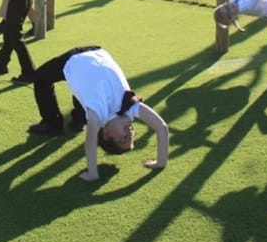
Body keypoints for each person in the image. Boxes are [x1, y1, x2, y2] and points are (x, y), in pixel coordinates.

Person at [27, 46, 169, 182]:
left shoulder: (97, 113)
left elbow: (90, 143)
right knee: (86, 96)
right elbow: (161, 127)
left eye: (124, 138)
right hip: (96, 50)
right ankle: (77, 119)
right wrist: (160, 162)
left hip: (72, 59)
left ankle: (53, 123)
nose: (131, 133)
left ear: (107, 134)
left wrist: (92, 174)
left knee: (40, 77)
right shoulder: (131, 107)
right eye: (132, 137)